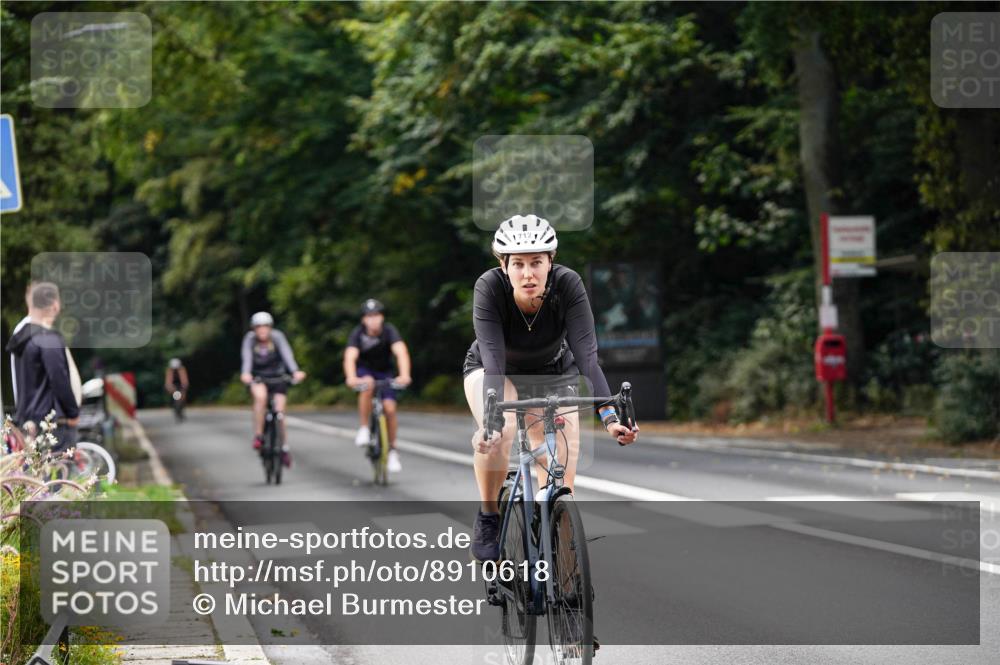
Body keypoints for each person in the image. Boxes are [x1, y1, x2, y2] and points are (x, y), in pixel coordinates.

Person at [463, 214, 638, 562]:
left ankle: (564, 574)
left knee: (561, 481)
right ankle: (489, 516)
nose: (528, 274)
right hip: (494, 371)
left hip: (554, 372)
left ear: (550, 261)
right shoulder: (489, 287)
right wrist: (491, 424)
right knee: (502, 431)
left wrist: (610, 417)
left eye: (536, 262)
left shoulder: (568, 284)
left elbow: (587, 356)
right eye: (518, 264)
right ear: (503, 266)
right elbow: (494, 361)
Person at [5, 282, 81, 452]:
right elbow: (59, 379)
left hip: (28, 423)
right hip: (51, 424)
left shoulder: (21, 340)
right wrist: (73, 413)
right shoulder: (48, 339)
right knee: (60, 468)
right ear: (55, 305)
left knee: (36, 468)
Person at [343, 299, 412, 473]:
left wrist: (404, 374)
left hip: (385, 372)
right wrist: (351, 377)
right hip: (365, 371)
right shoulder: (358, 333)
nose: (373, 320)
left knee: (390, 409)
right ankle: (364, 428)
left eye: (376, 315)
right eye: (369, 316)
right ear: (363, 320)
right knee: (367, 385)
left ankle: (392, 450)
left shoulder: (389, 331)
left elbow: (401, 352)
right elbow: (350, 356)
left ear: (382, 317)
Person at [239, 312, 306, 467]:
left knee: (280, 413)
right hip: (258, 378)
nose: (262, 330)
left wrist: (295, 371)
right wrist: (246, 373)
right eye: (258, 327)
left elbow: (287, 355)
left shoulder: (277, 337)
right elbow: (246, 358)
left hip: (278, 377)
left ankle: (284, 447)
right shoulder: (250, 340)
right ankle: (259, 435)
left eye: (265, 326)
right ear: (254, 328)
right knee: (261, 398)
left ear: (270, 328)